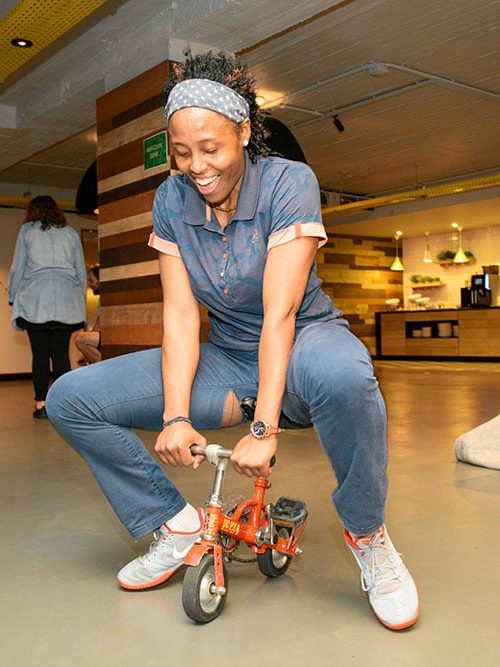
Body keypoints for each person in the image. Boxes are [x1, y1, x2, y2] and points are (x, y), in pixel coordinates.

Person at [46, 51, 419, 630]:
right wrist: (175, 416)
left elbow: (281, 312)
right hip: (229, 360)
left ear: (244, 132)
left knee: (345, 374)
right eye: (182, 152)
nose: (196, 167)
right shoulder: (171, 200)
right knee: (71, 398)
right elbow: (179, 314)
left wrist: (264, 428)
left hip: (306, 344)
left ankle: (368, 533)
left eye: (211, 149)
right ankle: (176, 526)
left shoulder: (289, 182)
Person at [8, 195, 86, 418]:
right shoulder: (70, 233)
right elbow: (80, 270)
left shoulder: (27, 231)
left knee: (40, 355)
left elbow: (18, 267)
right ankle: (64, 406)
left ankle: (41, 404)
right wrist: (79, 299)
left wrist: (12, 296)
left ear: (32, 211)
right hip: (66, 301)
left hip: (36, 301)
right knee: (61, 355)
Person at [74, 265, 102, 365]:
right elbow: (98, 325)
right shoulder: (101, 299)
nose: (90, 285)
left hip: (112, 335)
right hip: (104, 335)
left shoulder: (108, 297)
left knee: (79, 339)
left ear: (100, 279)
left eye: (91, 280)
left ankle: (105, 366)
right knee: (81, 340)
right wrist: (87, 353)